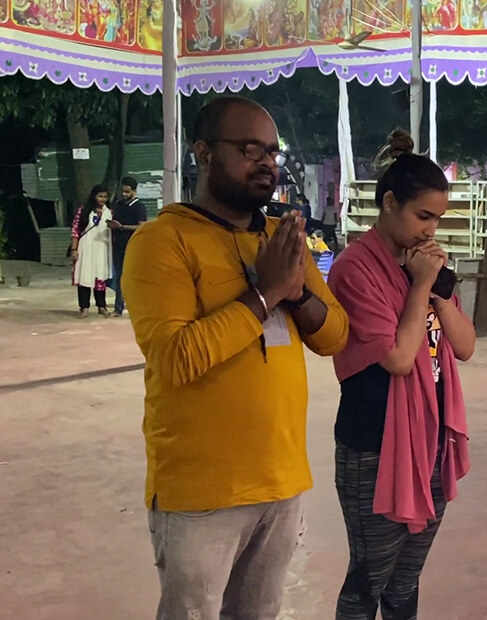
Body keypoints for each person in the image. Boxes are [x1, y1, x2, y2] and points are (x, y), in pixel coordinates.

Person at [121, 96, 350, 620]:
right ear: (203, 152)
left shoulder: (280, 238)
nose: (267, 162)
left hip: (282, 477)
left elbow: (335, 334)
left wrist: (295, 293)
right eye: (250, 149)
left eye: (273, 151)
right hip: (202, 491)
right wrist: (266, 294)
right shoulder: (163, 241)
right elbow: (177, 357)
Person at [327, 129, 476, 620]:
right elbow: (397, 357)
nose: (431, 229)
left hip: (429, 438)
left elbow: (465, 346)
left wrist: (434, 288)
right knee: (370, 576)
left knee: (407, 576)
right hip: (374, 443)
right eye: (423, 216)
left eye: (438, 218)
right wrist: (420, 288)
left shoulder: (423, 266)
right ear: (390, 203)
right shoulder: (354, 269)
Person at [70, 184, 113, 318]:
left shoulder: (110, 211)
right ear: (94, 196)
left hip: (102, 248)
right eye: (100, 196)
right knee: (84, 275)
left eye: (105, 197)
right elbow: (75, 231)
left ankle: (101, 306)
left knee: (101, 277)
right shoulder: (83, 211)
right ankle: (84, 307)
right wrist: (74, 249)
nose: (103, 199)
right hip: (86, 247)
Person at [108, 175, 148, 317]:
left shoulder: (139, 207)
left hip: (133, 246)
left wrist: (122, 227)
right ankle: (118, 308)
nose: (124, 194)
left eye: (127, 192)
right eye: (123, 191)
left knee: (133, 278)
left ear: (134, 191)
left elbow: (141, 226)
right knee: (119, 277)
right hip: (117, 245)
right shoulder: (118, 204)